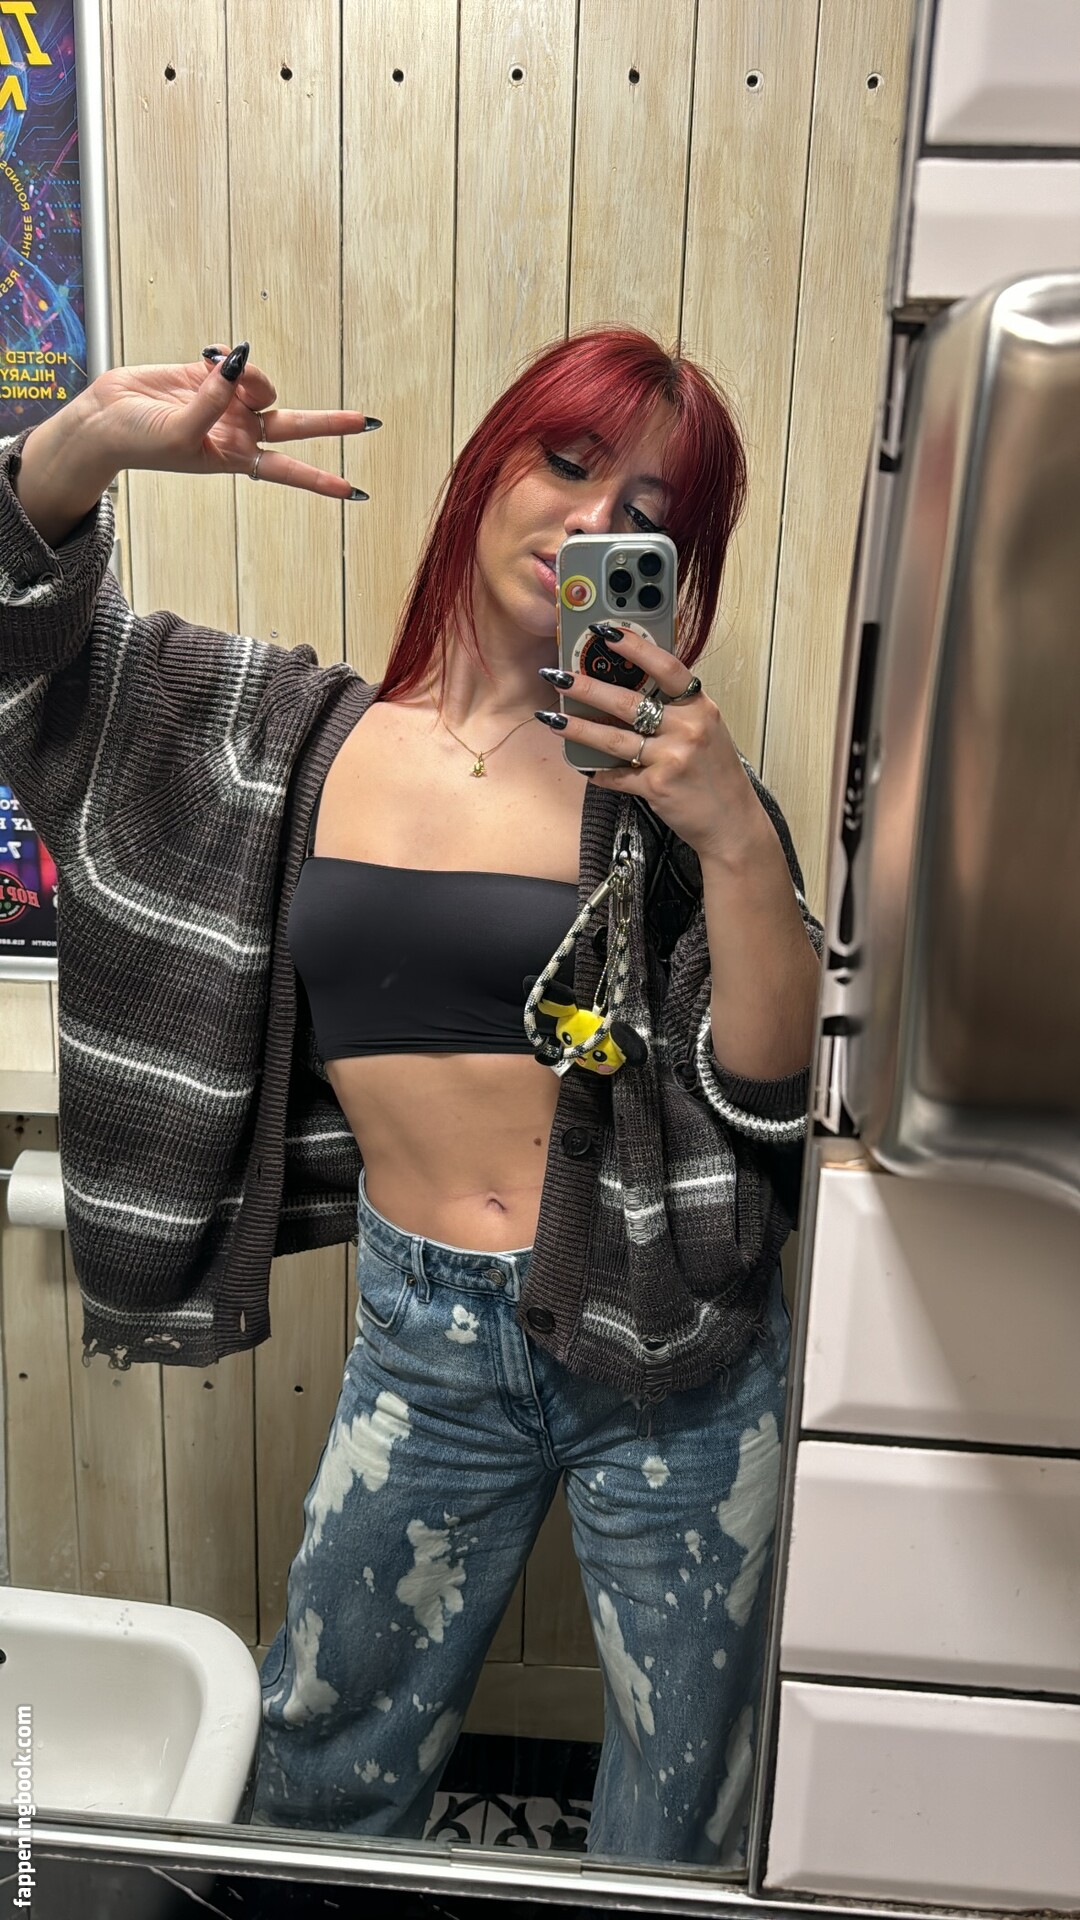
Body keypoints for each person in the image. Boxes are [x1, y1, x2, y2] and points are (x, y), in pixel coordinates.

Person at [0, 329, 821, 1865]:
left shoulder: (670, 784)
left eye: (645, 512)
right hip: (426, 1342)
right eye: (567, 463)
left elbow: (768, 1092)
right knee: (325, 1759)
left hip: (676, 1350)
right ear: (487, 467)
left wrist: (738, 841)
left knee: (685, 1804)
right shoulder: (280, 741)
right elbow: (24, 673)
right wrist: (90, 438)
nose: (594, 521)